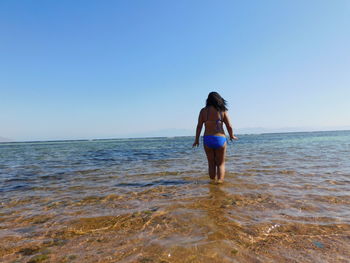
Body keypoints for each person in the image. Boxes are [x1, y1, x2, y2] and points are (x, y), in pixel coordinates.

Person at [192, 92, 238, 183]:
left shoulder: (203, 111)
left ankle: (212, 183)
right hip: (220, 139)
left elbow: (199, 126)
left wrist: (196, 140)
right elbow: (229, 126)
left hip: (208, 139)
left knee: (211, 163)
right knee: (220, 163)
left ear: (208, 100)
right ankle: (220, 181)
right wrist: (231, 135)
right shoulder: (222, 110)